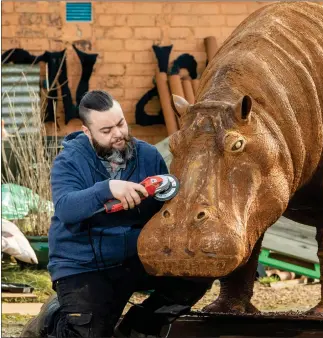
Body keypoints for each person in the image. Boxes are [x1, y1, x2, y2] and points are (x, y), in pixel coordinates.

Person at [21, 90, 211, 338]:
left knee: (198, 272)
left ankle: (139, 326)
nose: (118, 134)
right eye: (106, 130)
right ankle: (53, 317)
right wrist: (106, 189)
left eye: (120, 123)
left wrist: (168, 192)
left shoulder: (148, 155)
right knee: (90, 332)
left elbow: (166, 207)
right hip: (83, 265)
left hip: (135, 258)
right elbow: (66, 208)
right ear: (87, 132)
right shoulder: (69, 161)